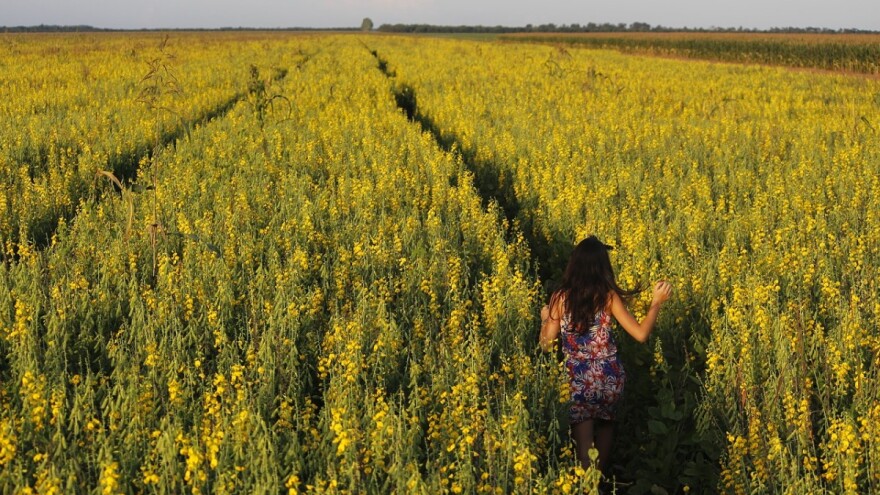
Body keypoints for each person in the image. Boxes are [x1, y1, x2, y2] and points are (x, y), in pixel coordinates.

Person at [539, 236, 672, 474]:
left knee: (583, 447)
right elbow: (641, 335)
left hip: (577, 379)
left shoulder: (559, 298)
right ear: (603, 267)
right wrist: (656, 303)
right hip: (609, 378)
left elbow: (546, 345)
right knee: (607, 426)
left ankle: (588, 484)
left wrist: (545, 319)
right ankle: (599, 479)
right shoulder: (608, 297)